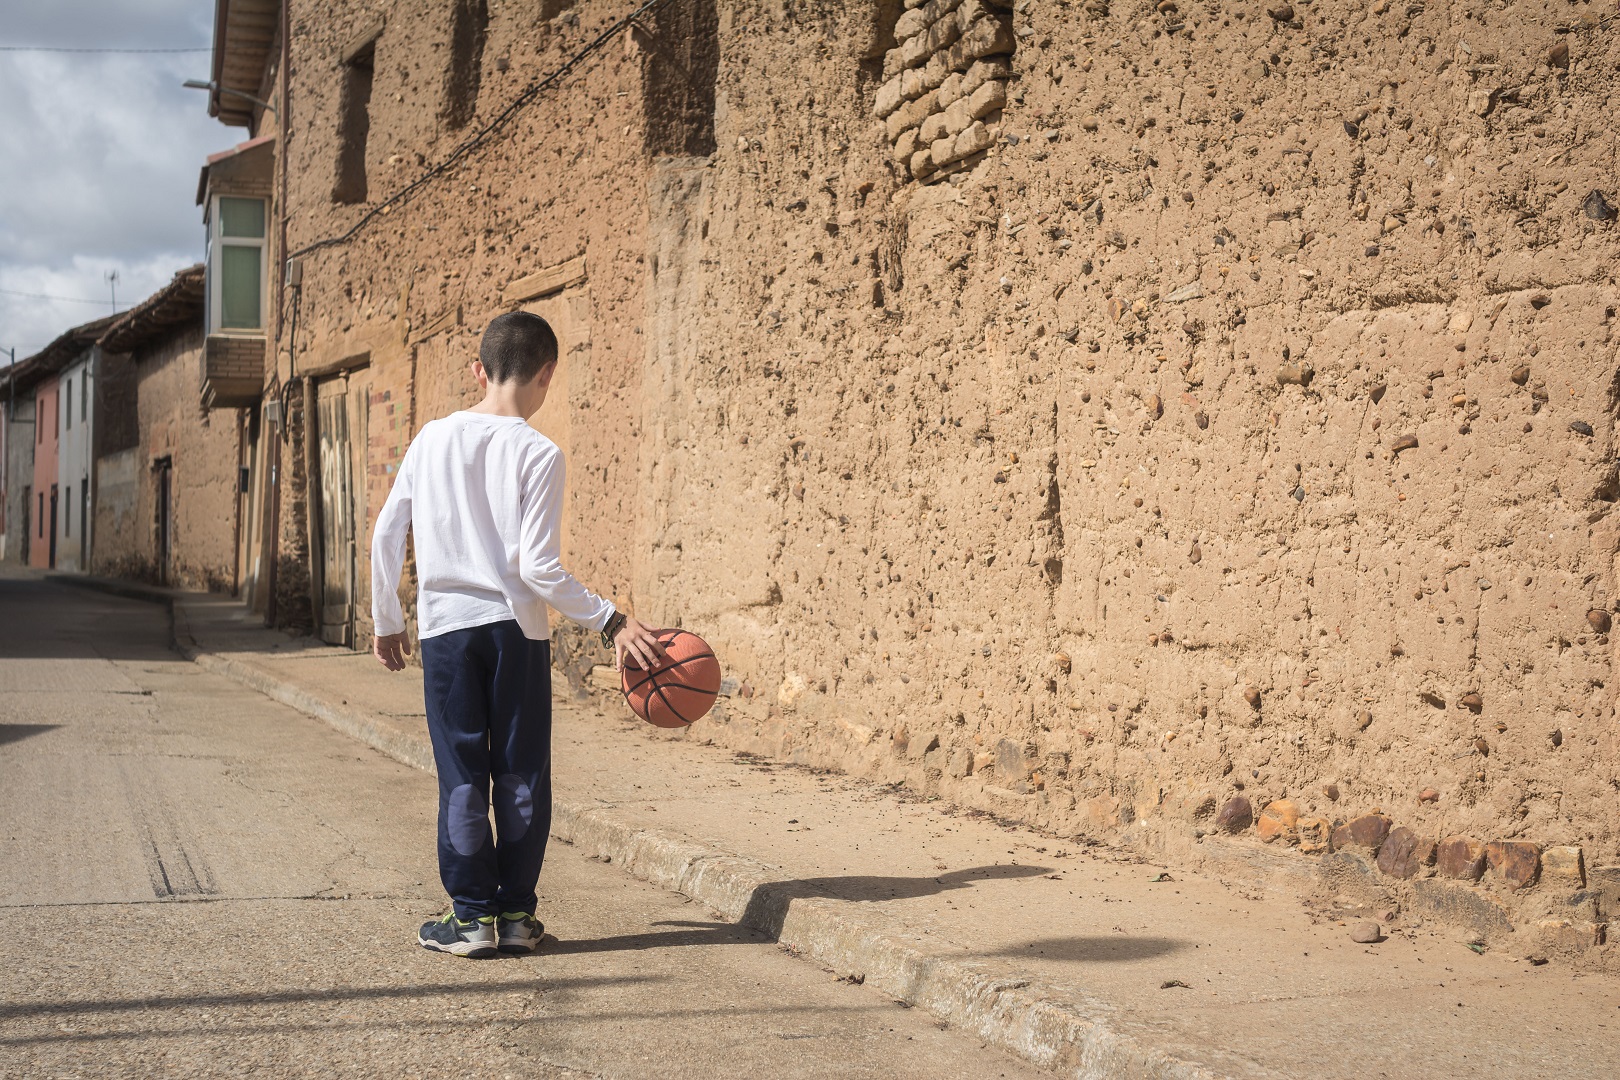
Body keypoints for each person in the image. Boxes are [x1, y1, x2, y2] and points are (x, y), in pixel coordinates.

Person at [370, 310, 666, 958]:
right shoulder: (540, 452)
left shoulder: (432, 438)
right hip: (516, 633)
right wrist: (610, 620)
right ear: (547, 374)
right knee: (521, 776)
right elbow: (537, 567)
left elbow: (387, 532)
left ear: (479, 369)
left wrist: (387, 620)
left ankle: (470, 920)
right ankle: (515, 917)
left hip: (448, 632)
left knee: (462, 775)